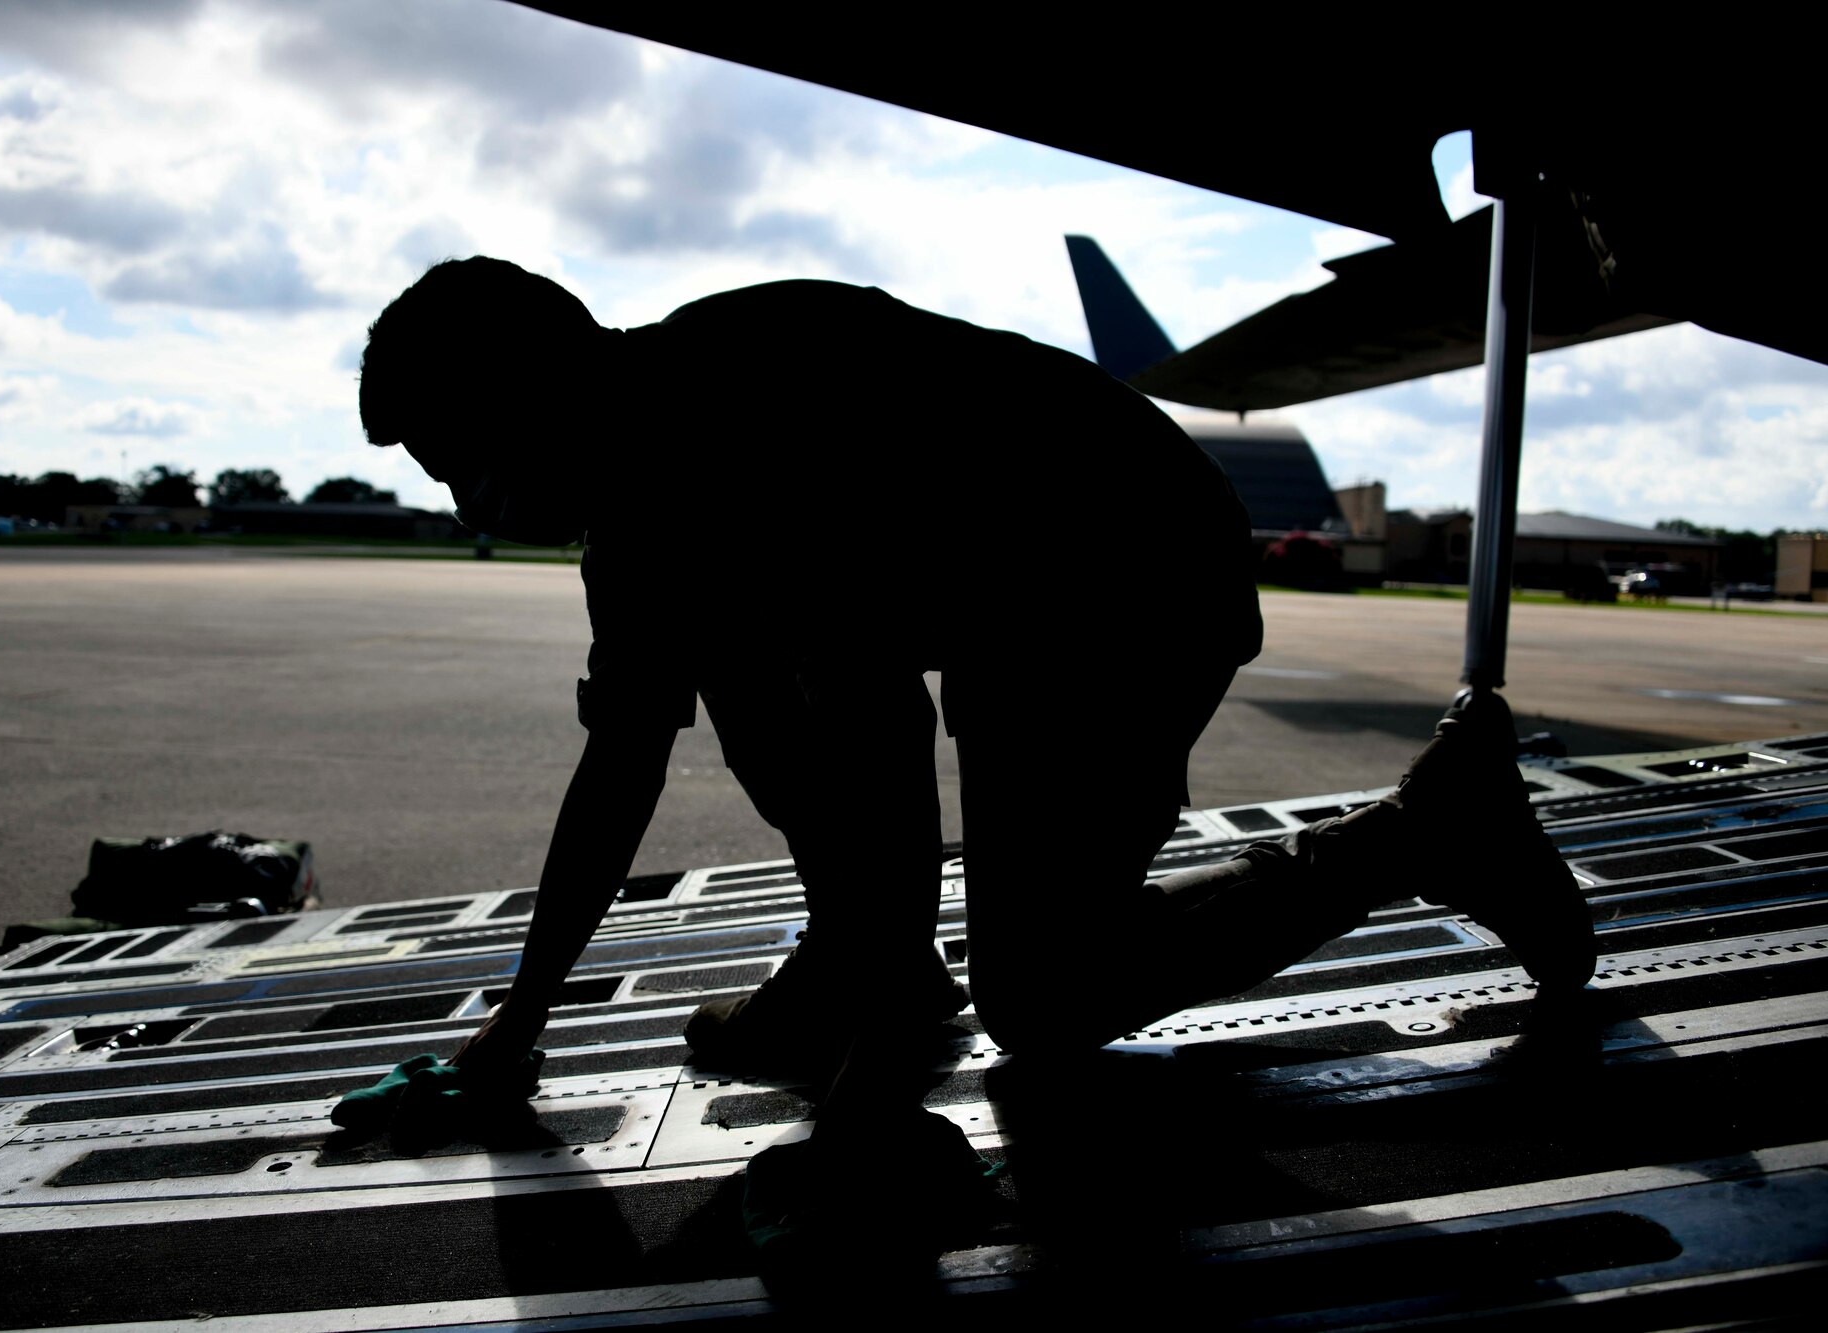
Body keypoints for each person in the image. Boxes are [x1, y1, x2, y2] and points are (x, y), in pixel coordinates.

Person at [355, 257, 1594, 1103]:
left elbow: (872, 731)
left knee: (1046, 999)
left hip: (1126, 569)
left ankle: (1427, 826)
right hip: (1009, 606)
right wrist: (515, 1028)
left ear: (537, 389)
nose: (470, 505)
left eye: (464, 460)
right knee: (725, 658)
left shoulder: (754, 394)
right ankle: (859, 957)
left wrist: (875, 1098)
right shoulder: (636, 530)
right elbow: (619, 763)